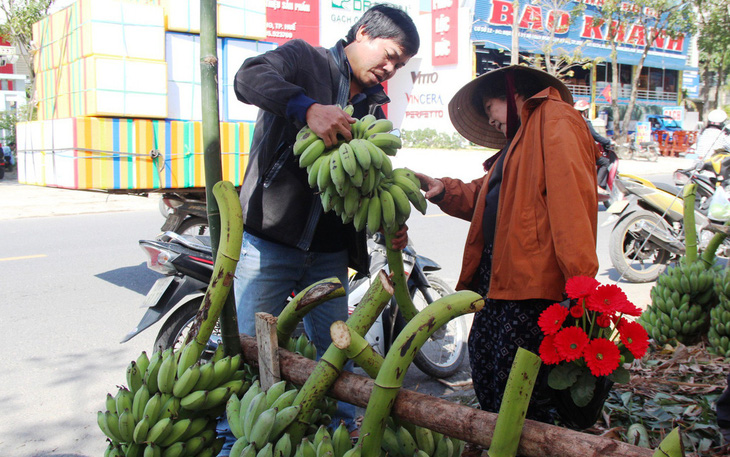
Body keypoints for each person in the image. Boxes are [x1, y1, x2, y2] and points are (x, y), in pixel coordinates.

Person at [229, 2, 419, 441]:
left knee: (335, 355)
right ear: (363, 31)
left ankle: (333, 437)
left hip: (330, 254)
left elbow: (365, 187)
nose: (390, 68)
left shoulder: (374, 112)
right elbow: (247, 78)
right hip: (270, 240)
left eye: (401, 64)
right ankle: (232, 437)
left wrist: (387, 220)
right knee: (246, 351)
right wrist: (306, 107)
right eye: (389, 54)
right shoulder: (303, 59)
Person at [415, 66, 599, 423]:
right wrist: (443, 190)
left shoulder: (556, 120)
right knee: (490, 378)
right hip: (500, 284)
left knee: (523, 394)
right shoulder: (517, 144)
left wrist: (581, 286)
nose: (491, 120)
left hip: (531, 292)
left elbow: (571, 204)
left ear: (513, 92)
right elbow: (488, 196)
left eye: (490, 109)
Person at [574, 100, 615, 198]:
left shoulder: (571, 121)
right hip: (584, 152)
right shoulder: (585, 122)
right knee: (605, 162)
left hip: (574, 151)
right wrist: (608, 141)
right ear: (585, 111)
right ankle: (597, 185)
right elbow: (596, 136)